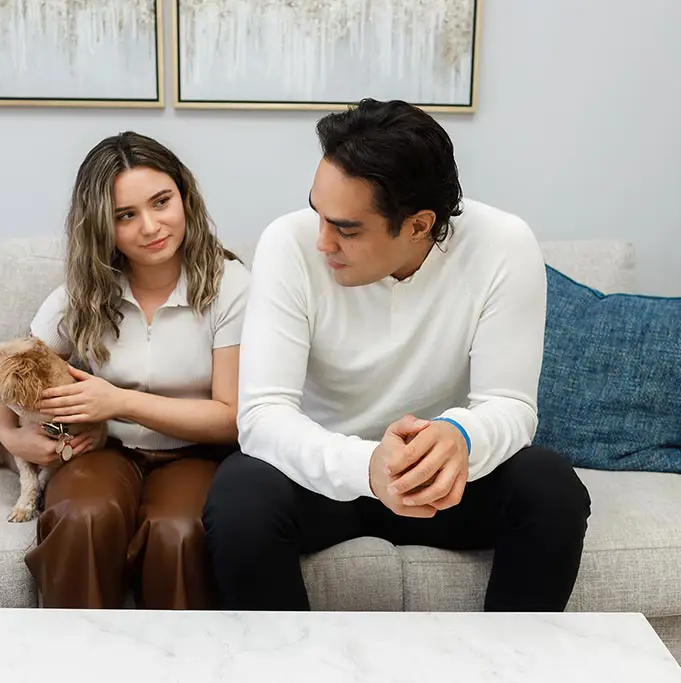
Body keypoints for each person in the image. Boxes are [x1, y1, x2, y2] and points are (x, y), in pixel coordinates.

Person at [203, 99, 592, 612]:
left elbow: (510, 403)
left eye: (346, 228)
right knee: (238, 499)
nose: (322, 241)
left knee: (552, 489)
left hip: (445, 479)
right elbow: (262, 415)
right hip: (325, 475)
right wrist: (367, 467)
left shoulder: (503, 245)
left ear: (417, 225)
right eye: (318, 213)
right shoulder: (289, 243)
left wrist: (460, 436)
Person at [0, 131, 248, 610]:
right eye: (126, 215)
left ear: (184, 196)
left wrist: (119, 401)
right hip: (102, 450)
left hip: (197, 454)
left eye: (161, 202)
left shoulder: (230, 287)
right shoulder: (80, 294)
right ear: (102, 226)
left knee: (180, 532)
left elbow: (231, 418)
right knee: (83, 516)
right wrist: (12, 438)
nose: (151, 226)